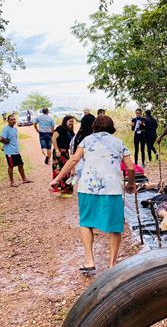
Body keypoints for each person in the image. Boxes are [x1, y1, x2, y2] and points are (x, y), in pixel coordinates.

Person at [49, 115, 136, 270]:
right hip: (112, 189)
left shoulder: (86, 140)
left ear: (94, 127)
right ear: (112, 128)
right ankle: (112, 265)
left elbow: (74, 160)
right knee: (115, 227)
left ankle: (90, 261)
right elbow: (130, 167)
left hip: (88, 188)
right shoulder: (118, 142)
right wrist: (131, 183)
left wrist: (57, 179)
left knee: (86, 222)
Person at [0, 114, 32, 187]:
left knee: (20, 165)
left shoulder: (15, 128)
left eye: (14, 119)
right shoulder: (6, 129)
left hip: (16, 151)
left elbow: (12, 139)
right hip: (10, 152)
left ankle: (24, 179)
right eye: (11, 120)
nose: (13, 121)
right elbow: (0, 138)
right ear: (8, 121)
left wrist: (4, 145)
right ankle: (12, 182)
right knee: (11, 166)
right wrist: (5, 142)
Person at [51, 115, 75, 197]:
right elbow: (53, 138)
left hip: (66, 153)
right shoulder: (60, 128)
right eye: (70, 121)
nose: (71, 123)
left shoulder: (70, 131)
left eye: (72, 121)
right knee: (58, 170)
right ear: (65, 121)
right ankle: (61, 190)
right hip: (58, 152)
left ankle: (66, 189)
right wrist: (57, 150)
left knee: (66, 170)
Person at [70, 113, 96, 179]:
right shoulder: (94, 138)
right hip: (93, 167)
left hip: (80, 166)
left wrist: (73, 169)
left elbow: (73, 154)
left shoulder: (77, 137)